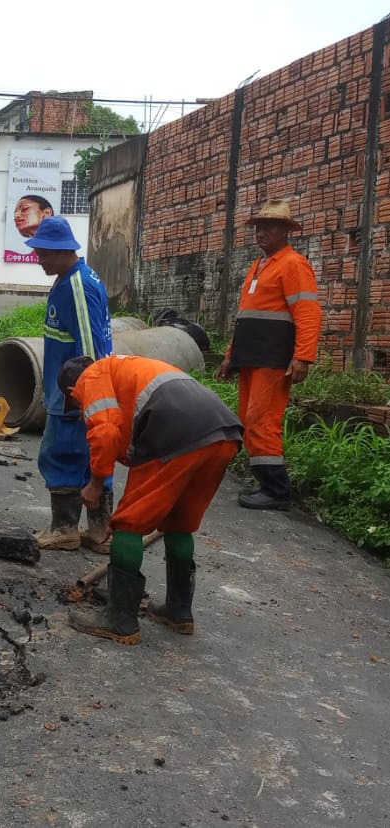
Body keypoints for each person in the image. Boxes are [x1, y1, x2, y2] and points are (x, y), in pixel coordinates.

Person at [60, 354, 243, 645]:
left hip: (174, 432)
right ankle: (179, 612)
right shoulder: (128, 368)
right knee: (180, 522)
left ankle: (119, 621)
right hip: (223, 432)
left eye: (77, 405)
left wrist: (96, 485)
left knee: (129, 525)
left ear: (72, 391)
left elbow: (105, 432)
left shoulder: (90, 377)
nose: (81, 411)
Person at [215, 198, 322, 510]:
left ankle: (277, 490)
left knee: (263, 421)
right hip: (252, 357)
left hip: (273, 359)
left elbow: (307, 313)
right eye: (258, 226)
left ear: (286, 231)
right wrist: (230, 356)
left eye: (269, 226)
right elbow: (246, 316)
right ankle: (266, 482)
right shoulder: (258, 266)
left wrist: (302, 357)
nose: (261, 231)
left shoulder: (294, 265)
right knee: (250, 420)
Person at [26, 216, 114, 552]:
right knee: (92, 457)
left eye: (44, 254)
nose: (40, 260)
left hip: (73, 396)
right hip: (74, 393)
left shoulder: (77, 285)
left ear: (64, 251)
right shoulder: (71, 278)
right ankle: (99, 530)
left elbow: (89, 350)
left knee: (61, 455)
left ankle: (65, 529)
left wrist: (83, 400)